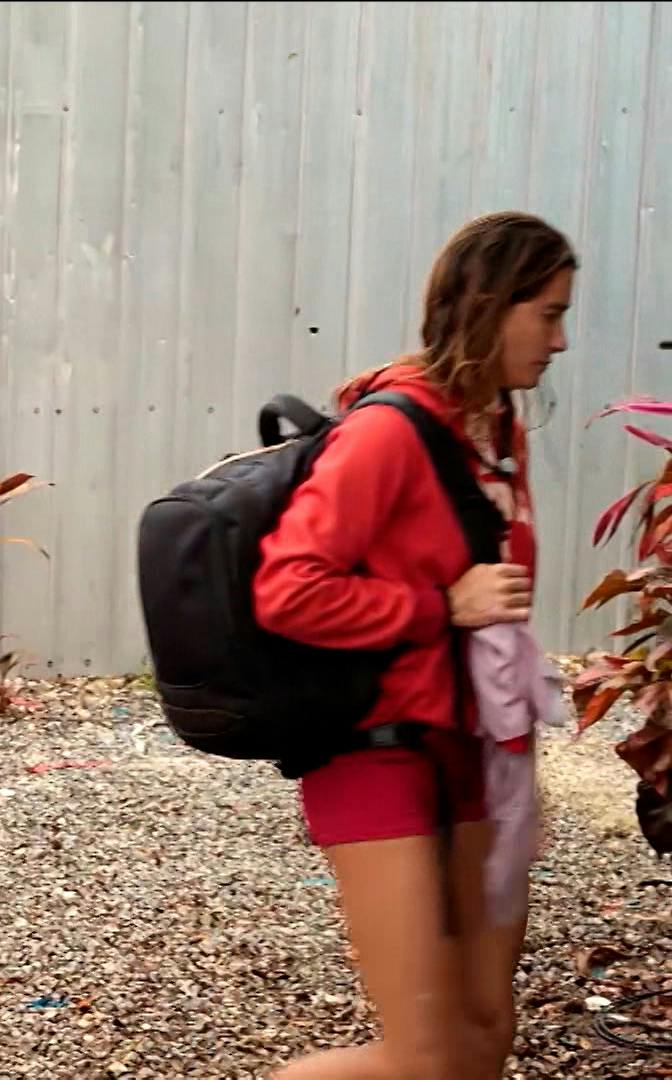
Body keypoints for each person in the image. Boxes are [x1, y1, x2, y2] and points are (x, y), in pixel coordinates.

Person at [255, 211, 573, 1079]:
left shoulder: (497, 428)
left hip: (479, 756)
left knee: (483, 1039)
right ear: (489, 305)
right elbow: (286, 589)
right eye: (547, 314)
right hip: (378, 755)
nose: (562, 340)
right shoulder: (389, 434)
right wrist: (441, 606)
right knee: (424, 1060)